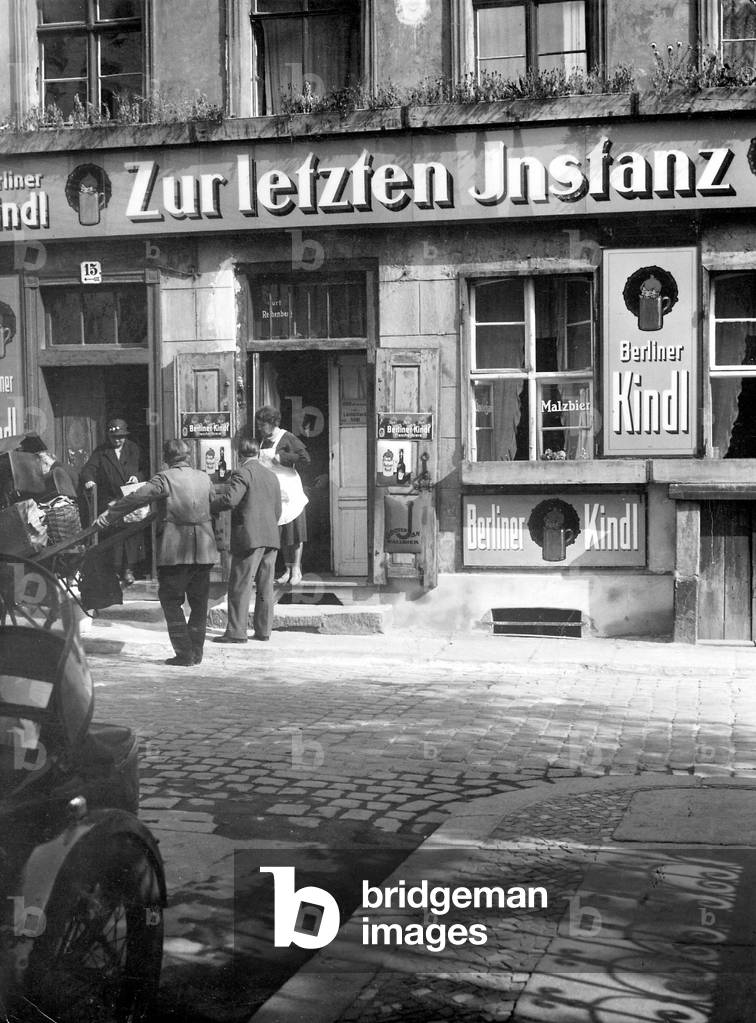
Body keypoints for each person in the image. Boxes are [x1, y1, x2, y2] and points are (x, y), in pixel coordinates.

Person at [94, 438, 218, 666]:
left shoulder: (165, 478)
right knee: (199, 603)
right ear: (188, 456)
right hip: (204, 550)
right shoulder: (204, 478)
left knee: (171, 600)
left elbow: (136, 497)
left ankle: (184, 653)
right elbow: (216, 503)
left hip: (175, 552)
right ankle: (196, 653)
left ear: (166, 458)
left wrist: (108, 515)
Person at [211, 437, 281, 643]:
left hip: (249, 537)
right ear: (257, 454)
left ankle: (236, 632)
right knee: (265, 586)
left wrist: (210, 506)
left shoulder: (243, 472)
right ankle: (263, 630)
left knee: (240, 585)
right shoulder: (271, 475)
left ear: (239, 455)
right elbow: (277, 509)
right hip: (271, 536)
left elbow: (231, 500)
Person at [80, 418, 144, 586]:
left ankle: (129, 570)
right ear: (108, 435)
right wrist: (89, 480)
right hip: (111, 500)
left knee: (132, 533)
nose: (118, 440)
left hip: (130, 497)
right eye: (114, 437)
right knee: (115, 536)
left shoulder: (133, 448)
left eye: (121, 437)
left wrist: (137, 477)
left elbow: (144, 469)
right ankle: (115, 571)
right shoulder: (101, 451)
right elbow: (88, 469)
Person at [255, 405, 310, 586]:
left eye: (263, 425)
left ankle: (297, 569)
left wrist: (283, 458)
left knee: (294, 532)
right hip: (272, 493)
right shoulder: (262, 442)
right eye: (259, 426)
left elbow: (305, 458)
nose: (260, 429)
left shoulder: (286, 437)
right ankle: (287, 570)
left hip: (289, 491)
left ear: (272, 423)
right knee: (282, 534)